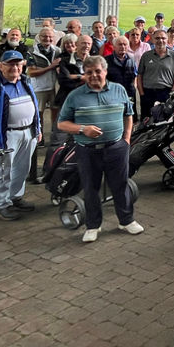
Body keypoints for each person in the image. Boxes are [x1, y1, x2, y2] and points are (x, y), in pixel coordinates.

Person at [57, 55, 142, 243]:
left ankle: (126, 220)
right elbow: (62, 124)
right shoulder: (75, 96)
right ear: (84, 75)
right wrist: (82, 129)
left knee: (120, 185)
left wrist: (126, 139)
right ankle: (93, 225)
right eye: (89, 72)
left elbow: (129, 114)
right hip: (88, 150)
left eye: (97, 71)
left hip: (116, 148)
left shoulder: (119, 90)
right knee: (91, 188)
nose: (94, 75)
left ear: (105, 71)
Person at [0, 50, 41, 221]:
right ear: (1, 66)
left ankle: (15, 197)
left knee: (22, 168)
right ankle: (2, 204)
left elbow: (35, 106)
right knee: (3, 170)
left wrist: (38, 129)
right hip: (6, 136)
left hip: (29, 132)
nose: (14, 67)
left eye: (17, 64)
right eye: (10, 64)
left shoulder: (26, 82)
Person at [26, 27, 61, 153]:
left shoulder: (57, 51)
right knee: (39, 113)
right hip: (39, 87)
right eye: (45, 36)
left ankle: (53, 136)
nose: (48, 39)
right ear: (39, 38)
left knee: (55, 111)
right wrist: (51, 67)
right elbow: (32, 73)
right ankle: (39, 137)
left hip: (54, 87)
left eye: (50, 37)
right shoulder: (31, 52)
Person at [136, 29, 174, 120]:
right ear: (152, 39)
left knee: (165, 121)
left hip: (166, 93)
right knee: (146, 121)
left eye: (163, 38)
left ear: (167, 39)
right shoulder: (146, 56)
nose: (160, 41)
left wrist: (172, 92)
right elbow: (139, 75)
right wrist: (141, 93)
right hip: (148, 93)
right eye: (157, 38)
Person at [55, 34, 92, 110]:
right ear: (76, 44)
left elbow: (98, 79)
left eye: (89, 44)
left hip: (88, 99)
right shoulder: (65, 61)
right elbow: (63, 80)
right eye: (84, 43)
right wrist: (82, 77)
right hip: (68, 98)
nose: (86, 46)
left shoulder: (94, 61)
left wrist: (74, 76)